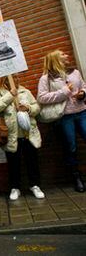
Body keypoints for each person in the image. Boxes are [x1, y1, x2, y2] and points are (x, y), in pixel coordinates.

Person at [37, 50, 86, 192]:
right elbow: (42, 97)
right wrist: (64, 91)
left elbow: (83, 86)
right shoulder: (46, 79)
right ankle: (76, 177)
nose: (66, 55)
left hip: (82, 111)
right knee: (71, 146)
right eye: (62, 54)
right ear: (56, 60)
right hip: (64, 116)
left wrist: (83, 93)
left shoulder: (74, 72)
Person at [0, 75, 45, 200]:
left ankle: (35, 185)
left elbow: (37, 107)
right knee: (13, 164)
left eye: (16, 77)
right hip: (11, 136)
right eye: (11, 78)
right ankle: (15, 188)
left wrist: (28, 108)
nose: (15, 80)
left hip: (28, 134)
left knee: (32, 161)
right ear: (4, 80)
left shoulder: (25, 91)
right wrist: (10, 95)